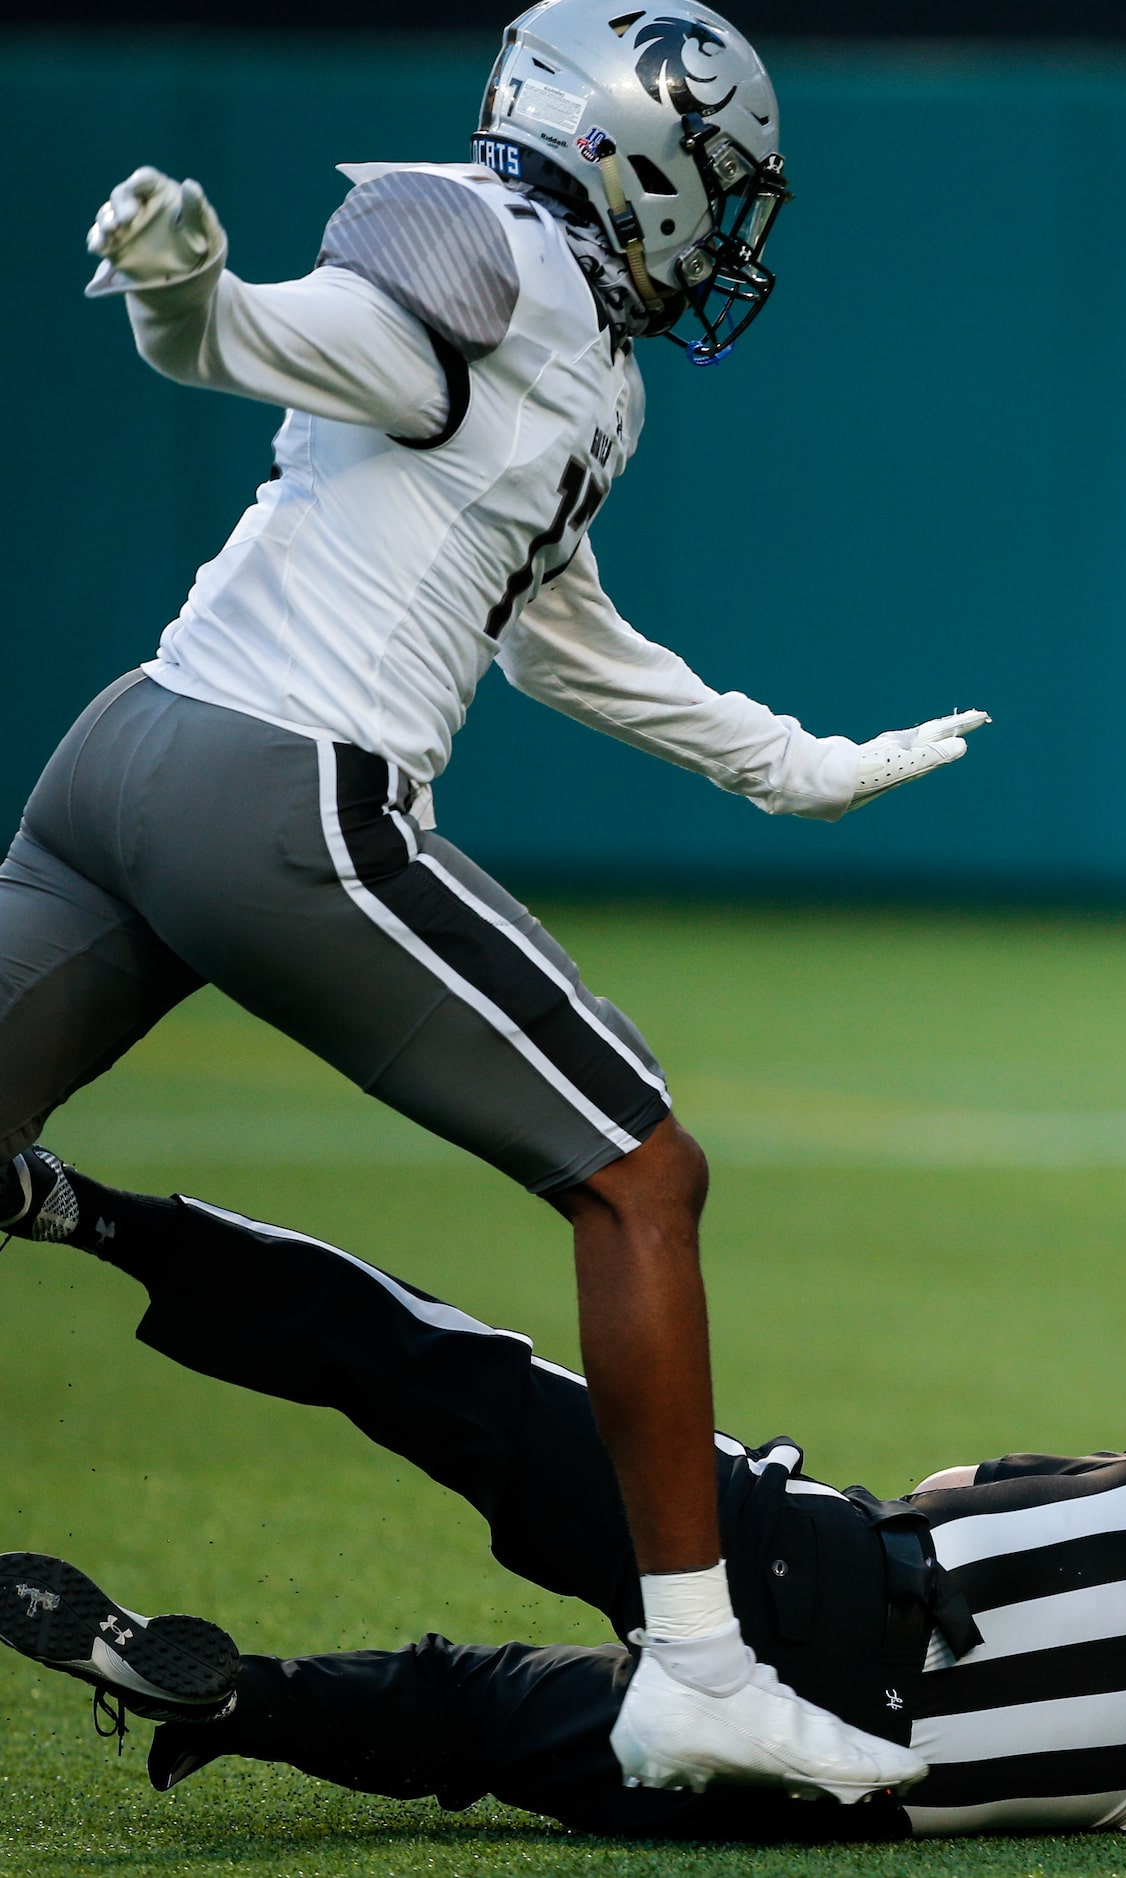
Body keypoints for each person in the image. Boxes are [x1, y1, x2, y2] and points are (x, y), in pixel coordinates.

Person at [6, 1, 988, 1799]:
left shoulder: (578, 356)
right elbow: (303, 341)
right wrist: (184, 301)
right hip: (284, 791)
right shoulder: (505, 255)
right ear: (629, 151)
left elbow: (550, 629)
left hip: (122, 760)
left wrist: (785, 758)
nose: (729, 231)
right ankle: (696, 1665)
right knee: (641, 1175)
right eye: (719, 187)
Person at [0, 1153, 1126, 1842]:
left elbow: (954, 1484)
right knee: (467, 1707)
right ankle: (237, 1695)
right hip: (793, 1782)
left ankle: (87, 1213)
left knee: (455, 1383)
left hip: (816, 1569)